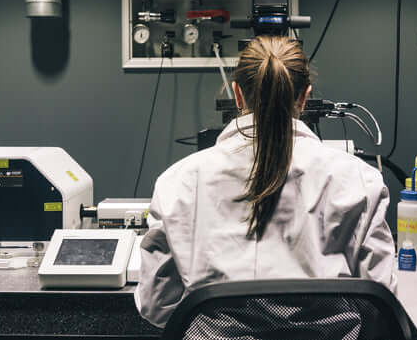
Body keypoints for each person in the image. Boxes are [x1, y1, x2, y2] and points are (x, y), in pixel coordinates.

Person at [135, 36, 397, 328]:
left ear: (237, 94)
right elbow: (381, 305)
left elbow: (157, 304)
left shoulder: (178, 182)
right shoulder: (359, 179)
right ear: (304, 97)